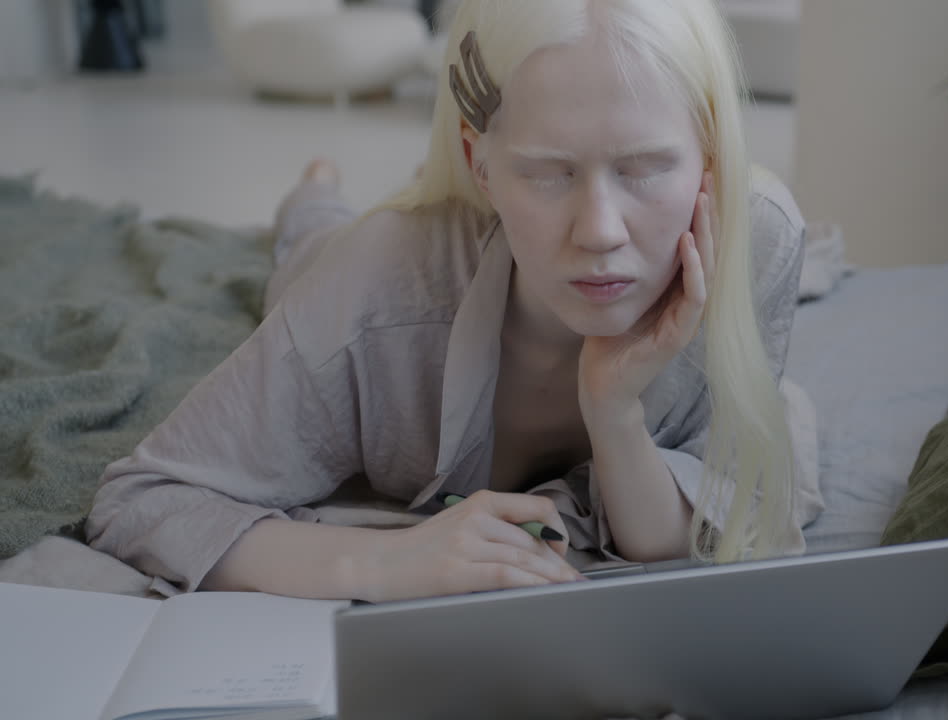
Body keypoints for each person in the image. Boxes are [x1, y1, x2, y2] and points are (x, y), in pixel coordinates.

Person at [86, 0, 819, 603]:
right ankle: (315, 192)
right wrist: (385, 564)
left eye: (644, 169)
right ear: (481, 166)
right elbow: (141, 500)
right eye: (548, 174)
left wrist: (615, 410)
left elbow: (666, 537)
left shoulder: (761, 239)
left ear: (710, 161)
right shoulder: (375, 294)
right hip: (359, 264)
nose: (599, 232)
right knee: (314, 252)